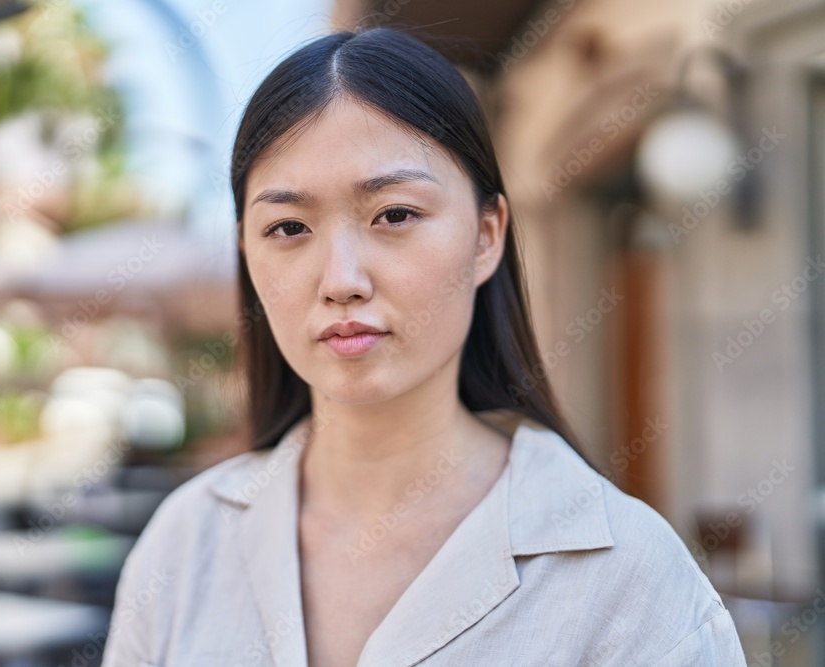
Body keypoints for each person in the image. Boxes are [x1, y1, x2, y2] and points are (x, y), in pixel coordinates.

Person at [100, 26, 747, 667]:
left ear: (487, 235)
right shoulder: (183, 546)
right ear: (246, 252)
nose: (342, 280)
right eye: (289, 227)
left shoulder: (628, 577)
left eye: (396, 214)